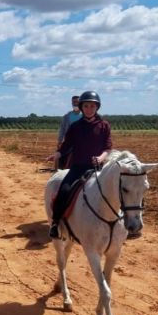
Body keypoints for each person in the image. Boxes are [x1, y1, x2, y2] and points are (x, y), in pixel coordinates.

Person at [45, 90, 112, 239]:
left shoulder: (104, 125)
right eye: (86, 106)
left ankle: (121, 223)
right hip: (78, 168)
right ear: (82, 107)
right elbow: (66, 146)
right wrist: (56, 154)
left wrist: (101, 158)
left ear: (97, 108)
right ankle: (56, 223)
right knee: (63, 191)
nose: (89, 109)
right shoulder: (75, 127)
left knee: (116, 192)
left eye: (92, 106)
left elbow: (108, 148)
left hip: (98, 168)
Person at [55, 95, 81, 169]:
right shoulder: (67, 116)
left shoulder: (85, 116)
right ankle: (58, 171)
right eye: (73, 102)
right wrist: (60, 141)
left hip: (82, 143)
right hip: (69, 142)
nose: (75, 104)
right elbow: (62, 129)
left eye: (77, 102)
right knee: (59, 156)